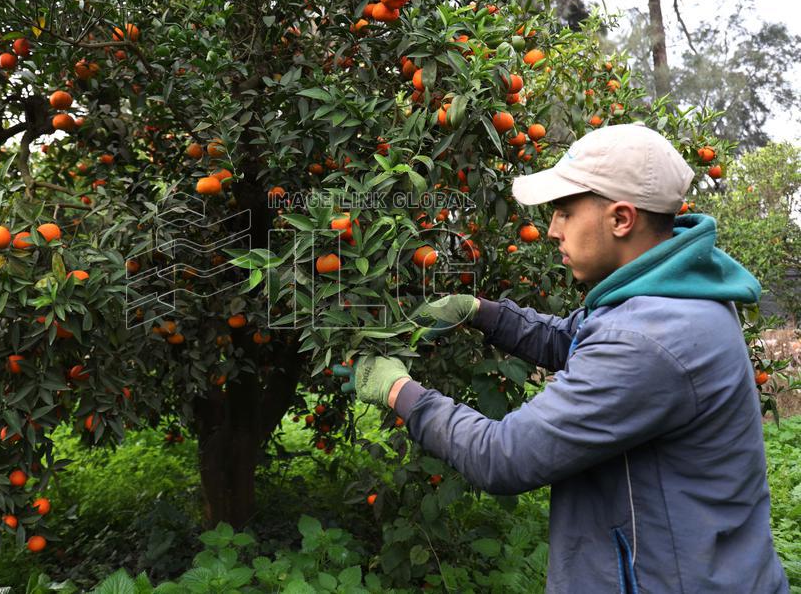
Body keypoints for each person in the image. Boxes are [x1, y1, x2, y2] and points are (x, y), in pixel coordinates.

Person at [333, 124, 789, 593]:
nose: (551, 230)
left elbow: (502, 456)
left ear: (621, 219)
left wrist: (397, 390)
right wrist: (478, 310)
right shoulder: (665, 298)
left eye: (565, 212)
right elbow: (572, 340)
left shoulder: (650, 338)